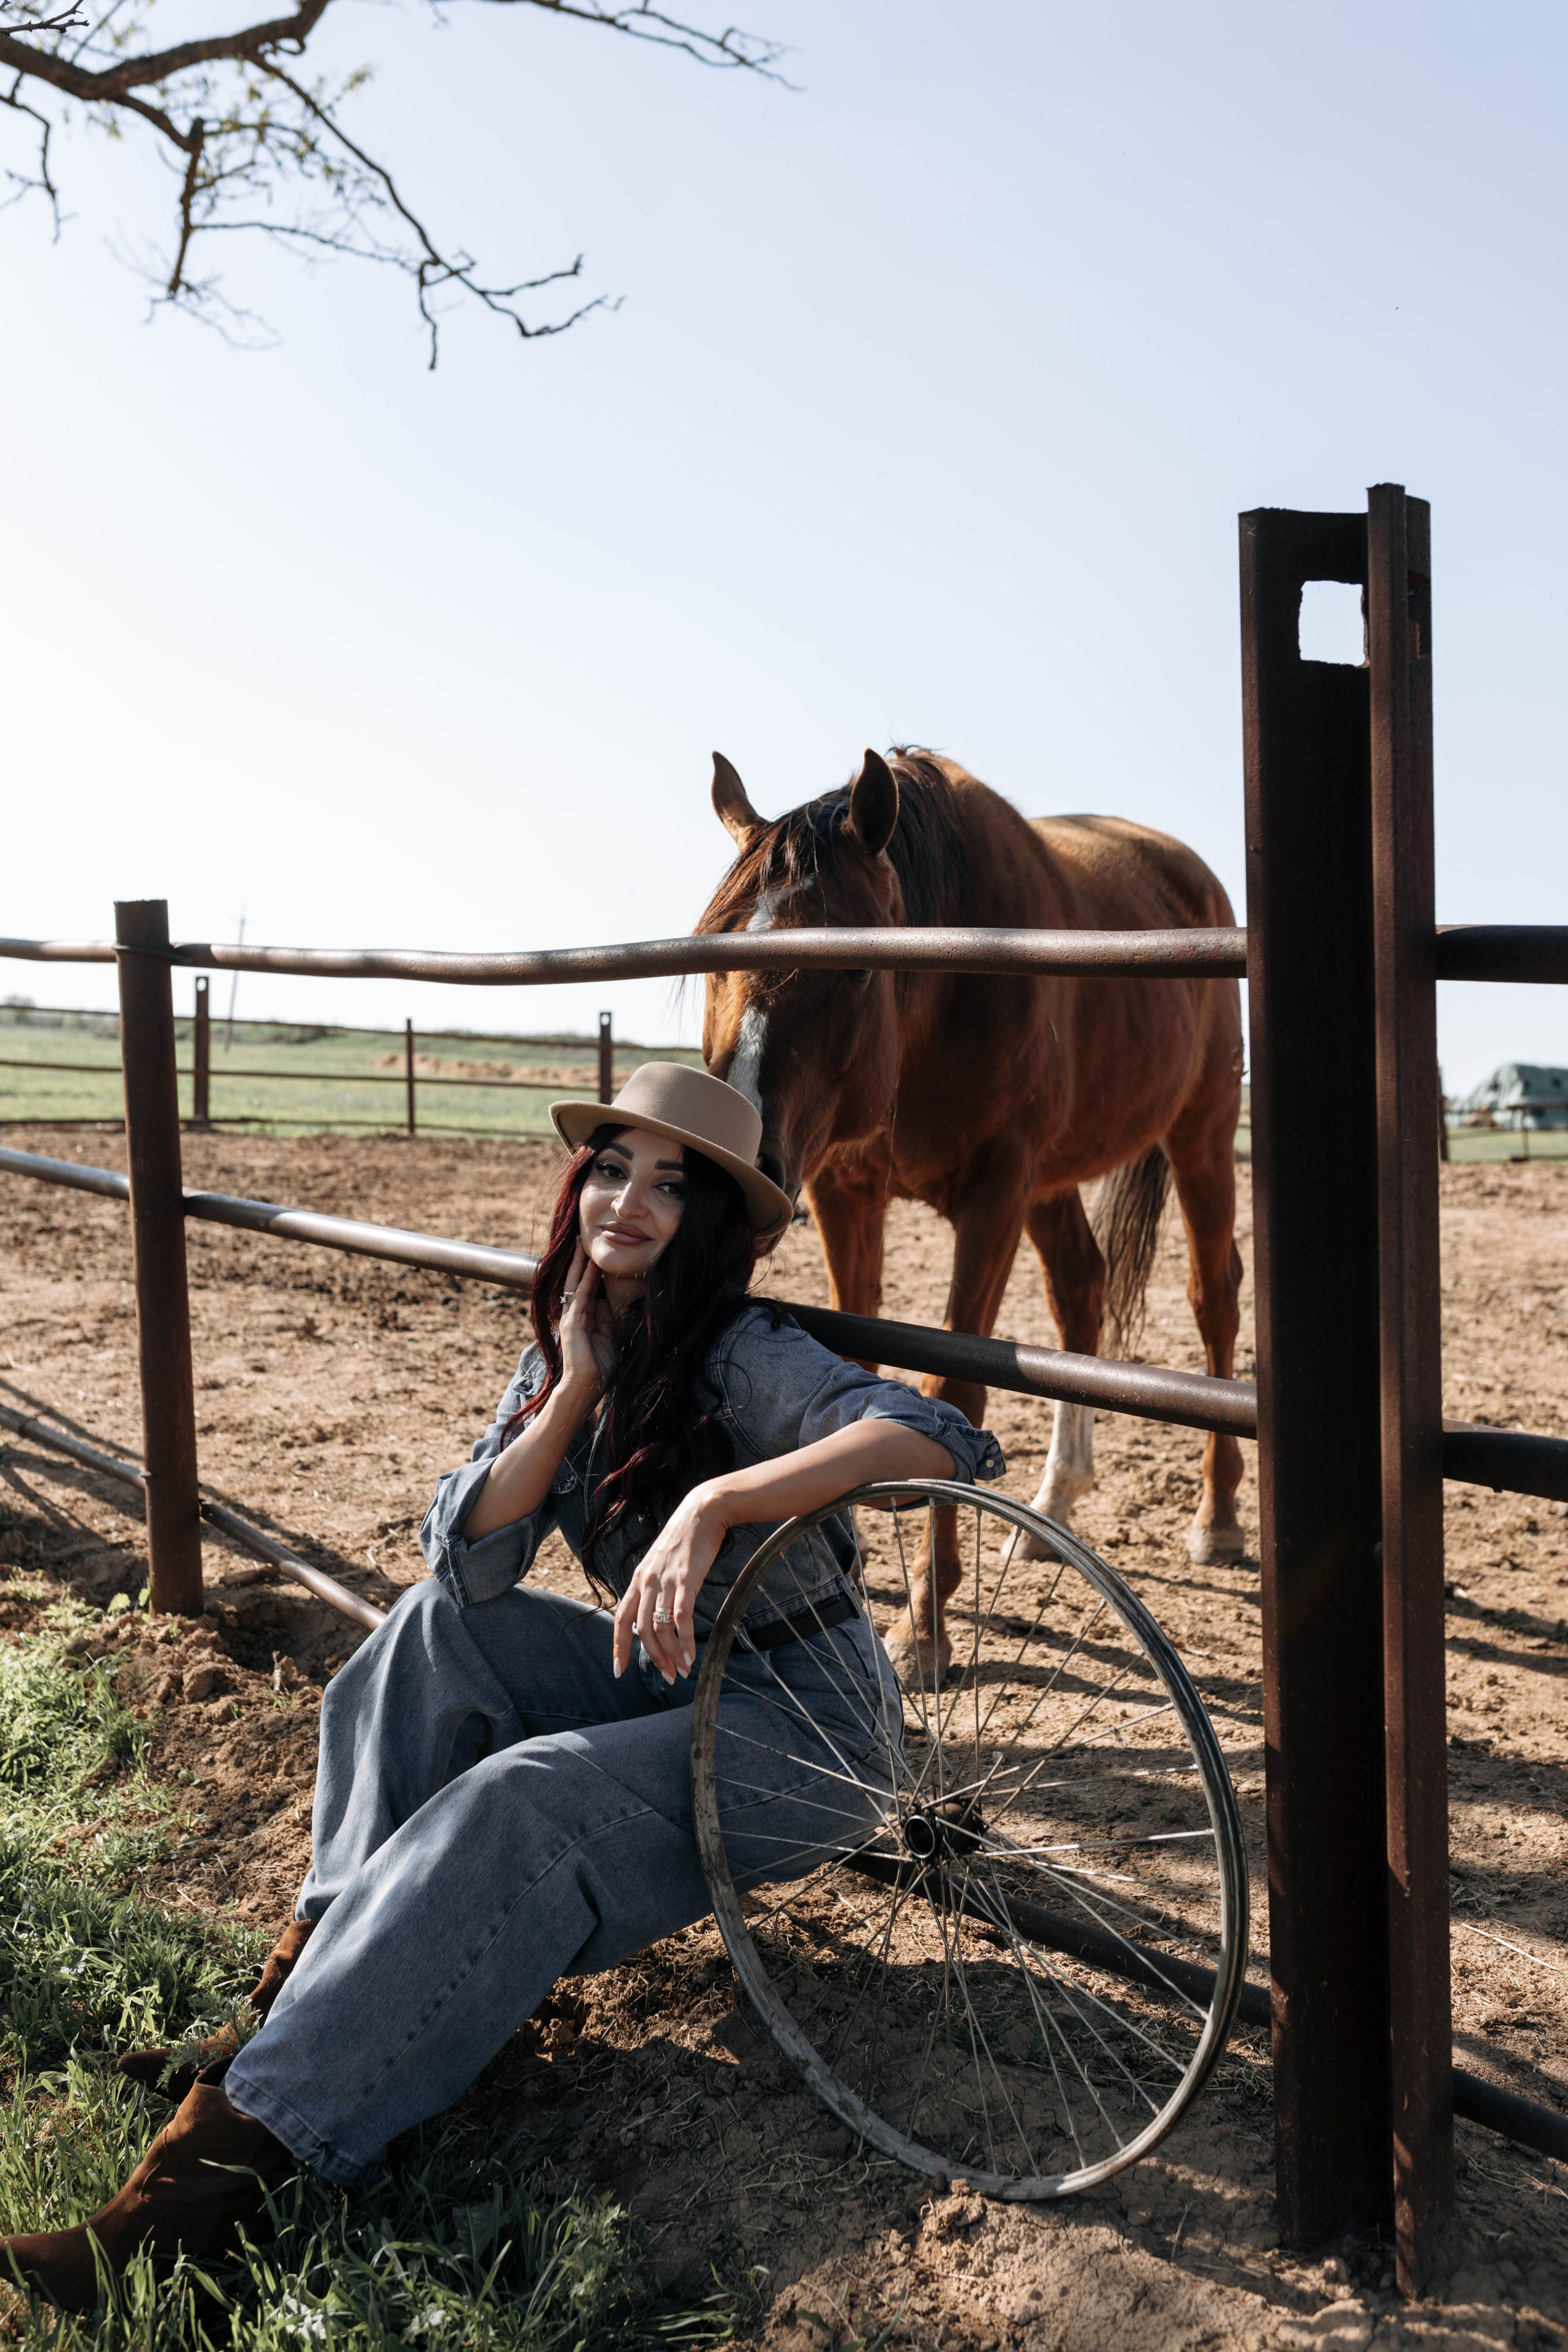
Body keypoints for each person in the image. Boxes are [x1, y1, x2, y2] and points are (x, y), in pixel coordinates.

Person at [2, 1065, 1002, 2312]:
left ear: (718, 1226)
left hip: (805, 1723)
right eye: (611, 1168)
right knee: (429, 1636)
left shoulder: (741, 1353)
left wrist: (716, 1498)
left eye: (670, 1185)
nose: (627, 1202)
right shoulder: (569, 1348)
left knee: (521, 1803)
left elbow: (945, 1442)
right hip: (676, 1682)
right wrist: (575, 1388)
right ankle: (286, 2024)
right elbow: (464, 1561)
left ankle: (178, 2211)